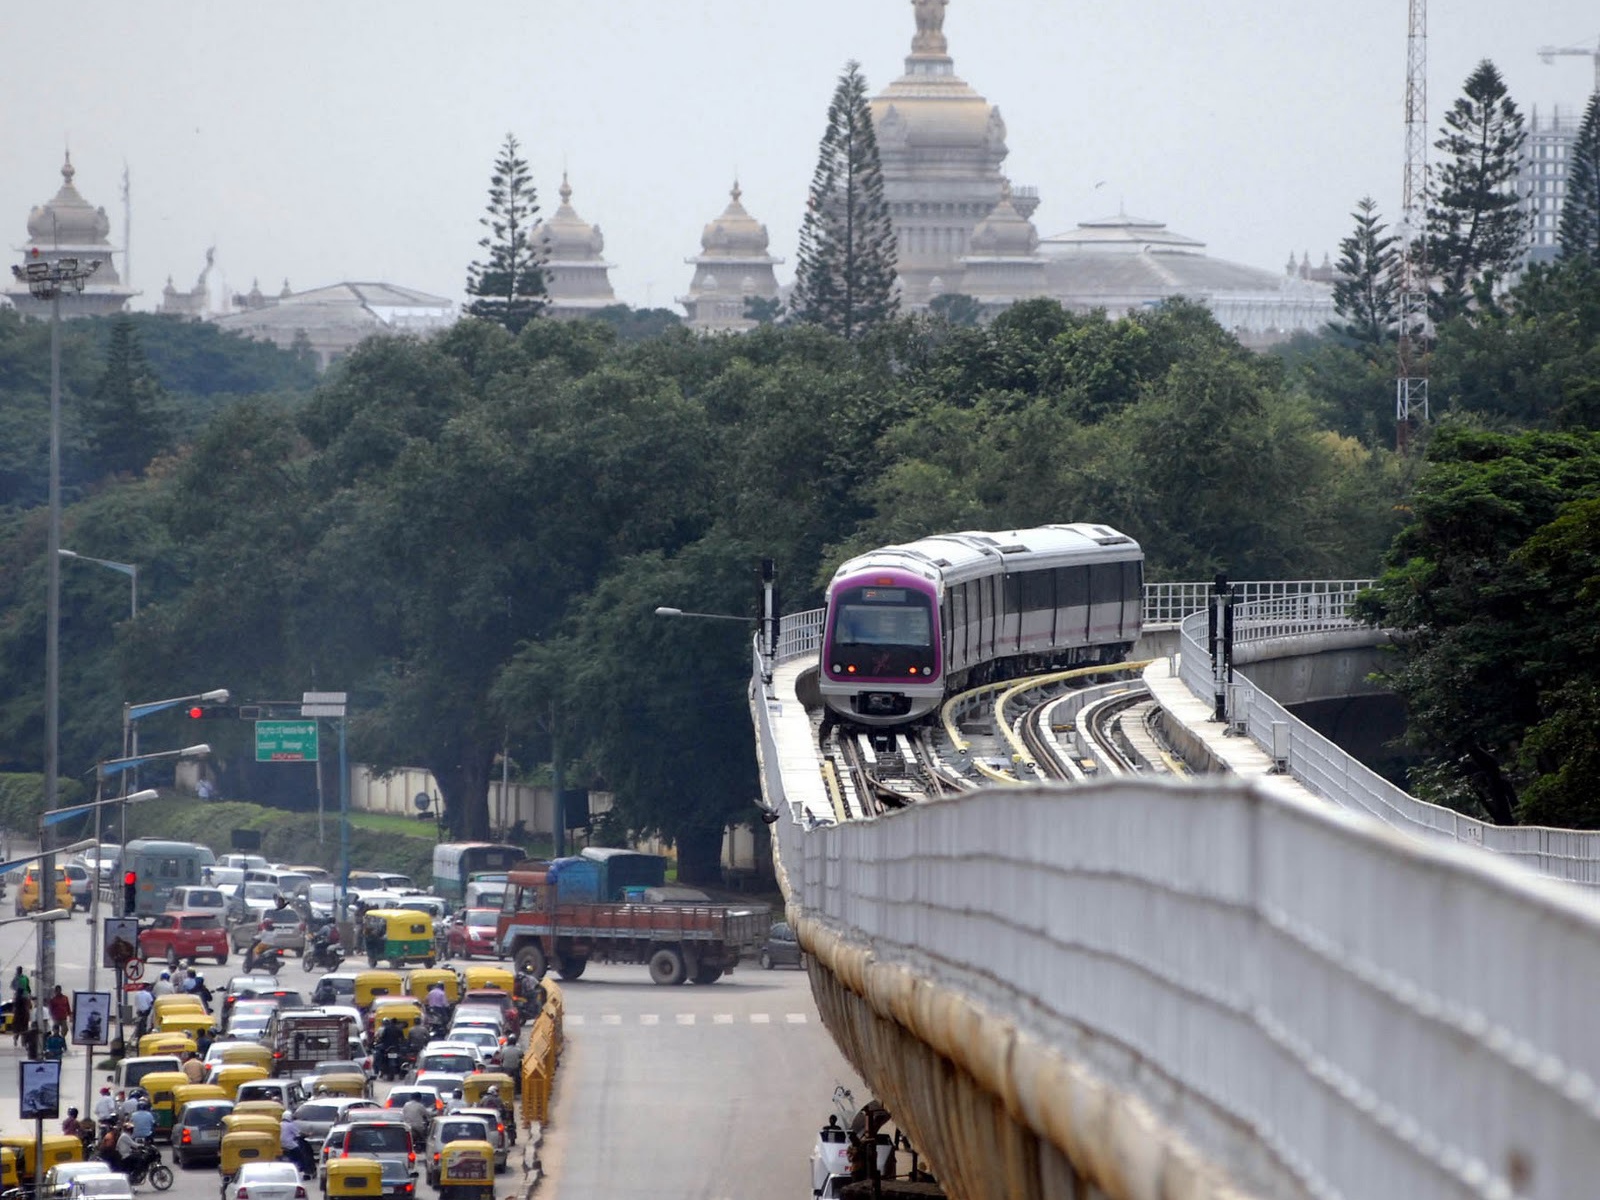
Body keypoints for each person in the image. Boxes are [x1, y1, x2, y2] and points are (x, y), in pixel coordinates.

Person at [280, 1112, 314, 1178]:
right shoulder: (290, 1125)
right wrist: (308, 1134)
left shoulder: (279, 1124)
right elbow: (299, 1134)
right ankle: (305, 1171)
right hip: (290, 1145)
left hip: (280, 1145)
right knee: (302, 1156)